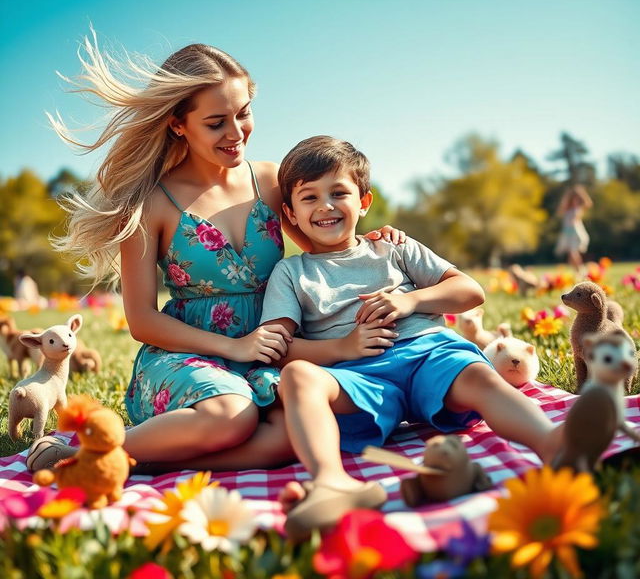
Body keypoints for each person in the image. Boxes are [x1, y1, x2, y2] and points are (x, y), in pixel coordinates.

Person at [26, 32, 403, 473]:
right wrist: (233, 346)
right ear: (178, 124)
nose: (235, 132)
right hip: (188, 355)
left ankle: (147, 461)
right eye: (216, 122)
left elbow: (326, 247)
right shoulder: (152, 205)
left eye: (243, 114)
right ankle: (88, 455)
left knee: (293, 431)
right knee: (233, 416)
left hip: (270, 349)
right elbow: (142, 321)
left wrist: (376, 243)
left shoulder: (271, 180)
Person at [259, 136, 567, 539]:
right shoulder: (291, 273)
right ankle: (332, 482)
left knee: (477, 374)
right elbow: (277, 347)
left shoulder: (392, 248)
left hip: (428, 355)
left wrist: (411, 302)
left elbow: (470, 291)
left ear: (364, 201)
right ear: (291, 213)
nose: (326, 206)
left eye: (339, 193)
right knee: (299, 375)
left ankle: (554, 445)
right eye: (310, 197)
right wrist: (341, 348)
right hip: (359, 378)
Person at [555, 184, 593, 273]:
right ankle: (578, 272)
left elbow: (588, 203)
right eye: (573, 198)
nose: (575, 200)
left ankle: (581, 270)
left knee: (573, 252)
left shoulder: (578, 208)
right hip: (567, 233)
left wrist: (582, 193)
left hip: (575, 232)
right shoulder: (567, 209)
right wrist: (568, 194)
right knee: (570, 256)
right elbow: (560, 209)